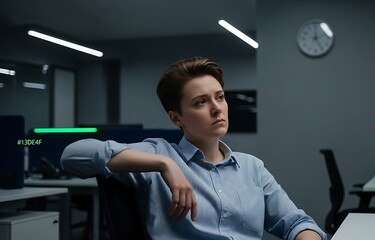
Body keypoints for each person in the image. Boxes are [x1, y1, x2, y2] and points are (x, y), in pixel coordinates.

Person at [61, 56, 327, 240]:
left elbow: (296, 223)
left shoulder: (252, 168)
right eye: (201, 102)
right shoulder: (159, 155)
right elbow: (73, 155)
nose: (217, 108)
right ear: (176, 118)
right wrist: (164, 165)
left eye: (220, 97)